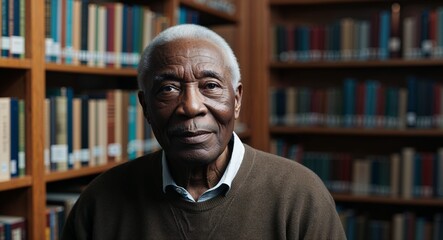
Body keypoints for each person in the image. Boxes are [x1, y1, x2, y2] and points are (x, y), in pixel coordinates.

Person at [62, 24, 346, 240]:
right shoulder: (99, 202)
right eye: (168, 89)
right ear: (145, 107)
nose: (191, 107)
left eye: (210, 86)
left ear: (236, 100)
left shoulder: (300, 196)